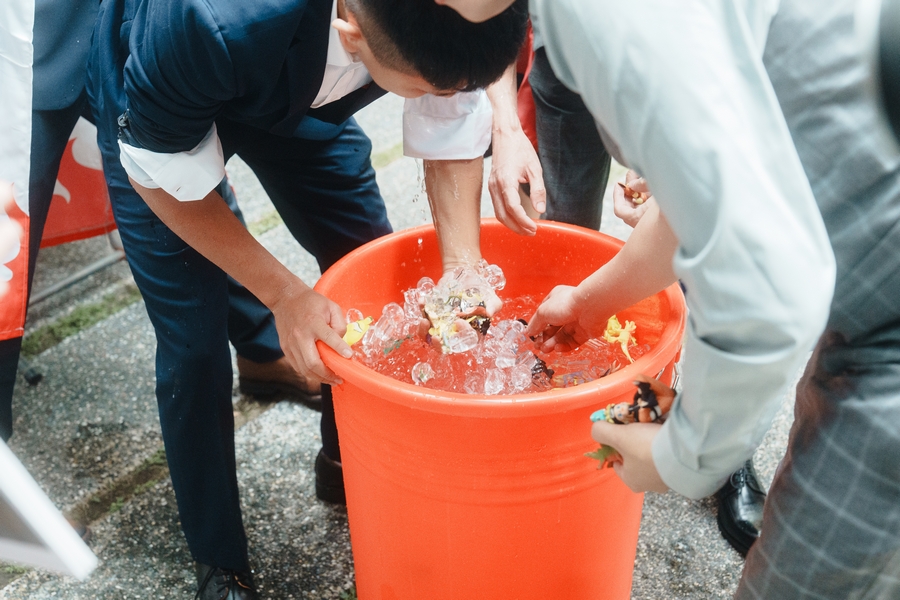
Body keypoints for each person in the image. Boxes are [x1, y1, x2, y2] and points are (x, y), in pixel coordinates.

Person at [86, 0, 528, 597]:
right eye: (425, 87)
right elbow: (158, 174)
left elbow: (453, 99)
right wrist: (284, 295)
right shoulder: (210, 22)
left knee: (362, 253)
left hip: (299, 98)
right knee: (194, 342)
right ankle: (220, 563)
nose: (440, 95)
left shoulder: (428, 25)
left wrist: (463, 268)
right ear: (353, 35)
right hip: (160, 104)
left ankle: (347, 461)